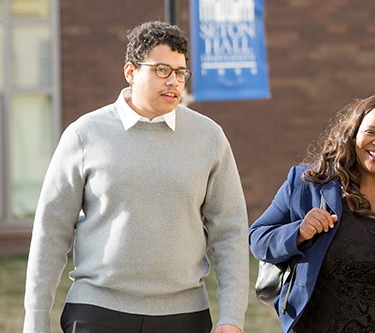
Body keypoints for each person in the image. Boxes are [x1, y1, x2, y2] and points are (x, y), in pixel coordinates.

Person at [23, 21, 249, 333]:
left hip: (184, 315)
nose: (174, 81)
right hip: (97, 310)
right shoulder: (85, 134)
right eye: (161, 70)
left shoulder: (209, 137)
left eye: (180, 72)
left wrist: (232, 317)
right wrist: (35, 320)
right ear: (130, 72)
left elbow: (230, 231)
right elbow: (51, 231)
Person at [249, 93, 375, 333]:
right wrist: (298, 232)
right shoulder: (307, 183)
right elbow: (257, 238)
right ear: (353, 135)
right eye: (371, 132)